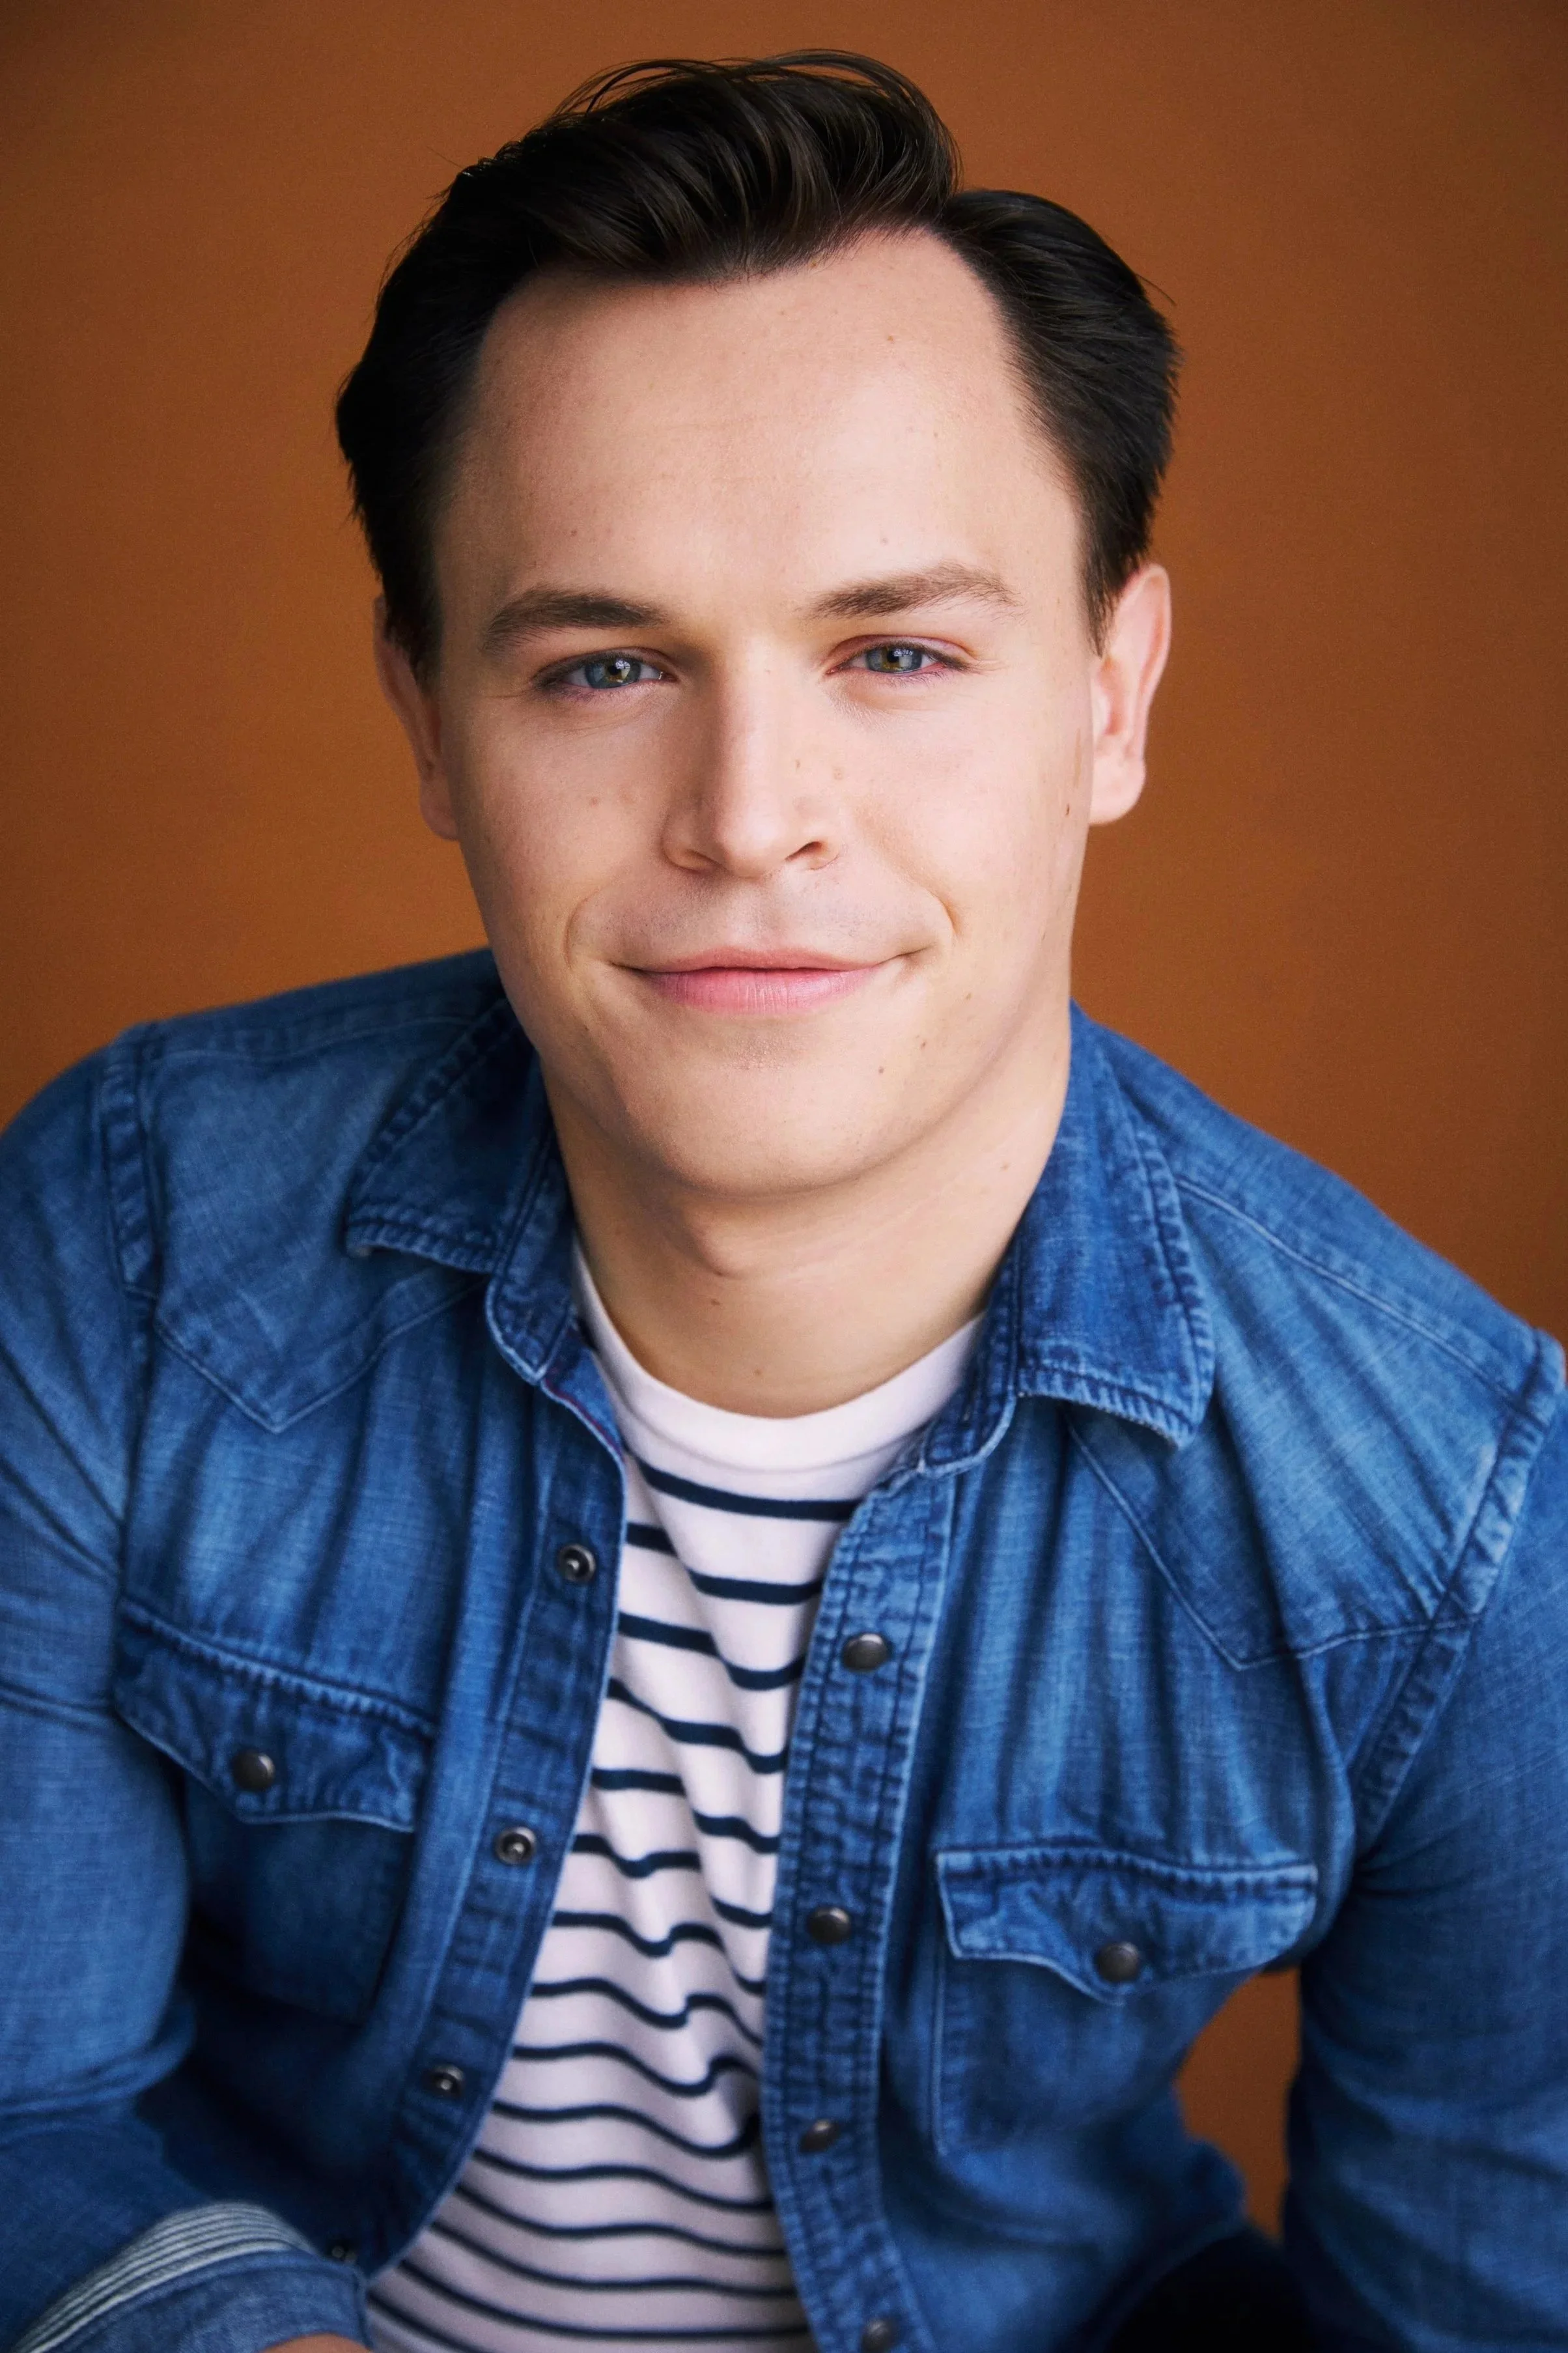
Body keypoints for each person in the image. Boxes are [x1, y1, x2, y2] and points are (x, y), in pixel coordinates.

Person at [1, 49, 1564, 2353]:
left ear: (1114, 695)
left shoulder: (1451, 1504)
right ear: (430, 715)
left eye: (897, 654)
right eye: (608, 663)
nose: (752, 814)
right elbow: (27, 2110)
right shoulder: (134, 1230)